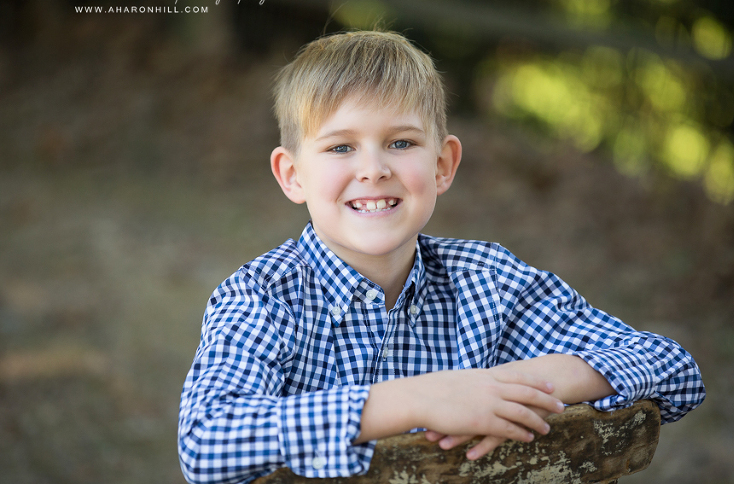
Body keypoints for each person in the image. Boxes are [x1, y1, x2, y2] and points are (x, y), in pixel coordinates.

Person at [177, 30, 705, 484]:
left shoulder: (489, 283)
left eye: (401, 143)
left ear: (443, 165)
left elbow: (671, 366)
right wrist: (417, 399)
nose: (373, 169)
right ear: (293, 175)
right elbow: (205, 442)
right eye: (340, 147)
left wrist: (499, 391)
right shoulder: (263, 297)